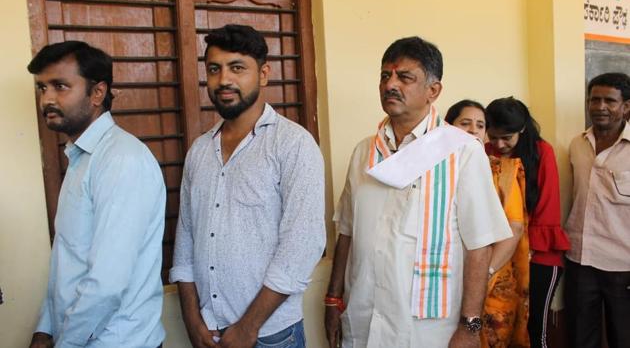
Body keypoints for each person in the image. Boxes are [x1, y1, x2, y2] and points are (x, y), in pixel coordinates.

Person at [324, 37, 512, 348]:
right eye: (385, 76)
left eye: (404, 77)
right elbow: (347, 230)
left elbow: (479, 247)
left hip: (429, 329)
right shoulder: (363, 153)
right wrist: (333, 298)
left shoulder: (461, 152)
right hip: (364, 316)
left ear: (433, 91)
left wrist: (471, 327)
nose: (390, 85)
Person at [169, 24, 325, 348]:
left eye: (237, 68)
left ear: (264, 74)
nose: (224, 79)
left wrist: (248, 327)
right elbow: (185, 240)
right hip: (208, 332)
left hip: (272, 336)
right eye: (214, 69)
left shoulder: (293, 144)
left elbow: (302, 245)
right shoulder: (199, 151)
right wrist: (192, 319)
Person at [27, 41, 166, 348]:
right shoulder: (82, 156)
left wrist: (64, 344)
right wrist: (45, 328)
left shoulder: (121, 160)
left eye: (60, 86)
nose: (47, 98)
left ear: (97, 93)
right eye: (42, 88)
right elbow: (69, 260)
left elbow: (106, 283)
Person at [485, 97, 570, 348]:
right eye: (493, 136)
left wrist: (527, 248)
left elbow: (548, 204)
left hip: (538, 253)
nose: (499, 144)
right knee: (498, 325)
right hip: (499, 253)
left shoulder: (542, 151)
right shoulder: (485, 152)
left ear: (522, 130)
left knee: (534, 329)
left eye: (507, 137)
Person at [447, 100, 530, 347]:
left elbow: (514, 229)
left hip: (491, 279)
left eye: (480, 125)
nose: (473, 129)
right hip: (445, 281)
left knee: (482, 335)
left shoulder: (502, 170)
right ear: (446, 127)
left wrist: (483, 275)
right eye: (465, 123)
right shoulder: (433, 171)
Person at [565, 72, 630, 348]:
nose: (600, 107)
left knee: (624, 337)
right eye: (594, 100)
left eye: (609, 101)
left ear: (626, 106)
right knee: (581, 337)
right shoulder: (577, 144)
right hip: (580, 259)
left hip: (623, 263)